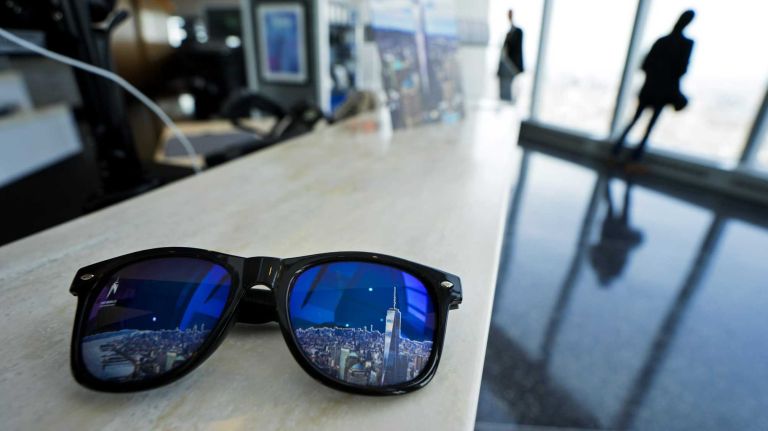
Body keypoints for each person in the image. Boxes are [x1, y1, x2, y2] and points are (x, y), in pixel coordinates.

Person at [612, 10, 695, 161]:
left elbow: (646, 64)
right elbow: (682, 69)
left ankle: (619, 153)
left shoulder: (663, 41)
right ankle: (631, 157)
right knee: (646, 125)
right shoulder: (685, 44)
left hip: (651, 89)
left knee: (637, 121)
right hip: (660, 92)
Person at [497, 9, 524, 102]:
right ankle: (505, 101)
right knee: (504, 92)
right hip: (506, 65)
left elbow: (515, 48)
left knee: (509, 93)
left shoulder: (518, 32)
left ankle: (507, 102)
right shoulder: (508, 33)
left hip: (512, 66)